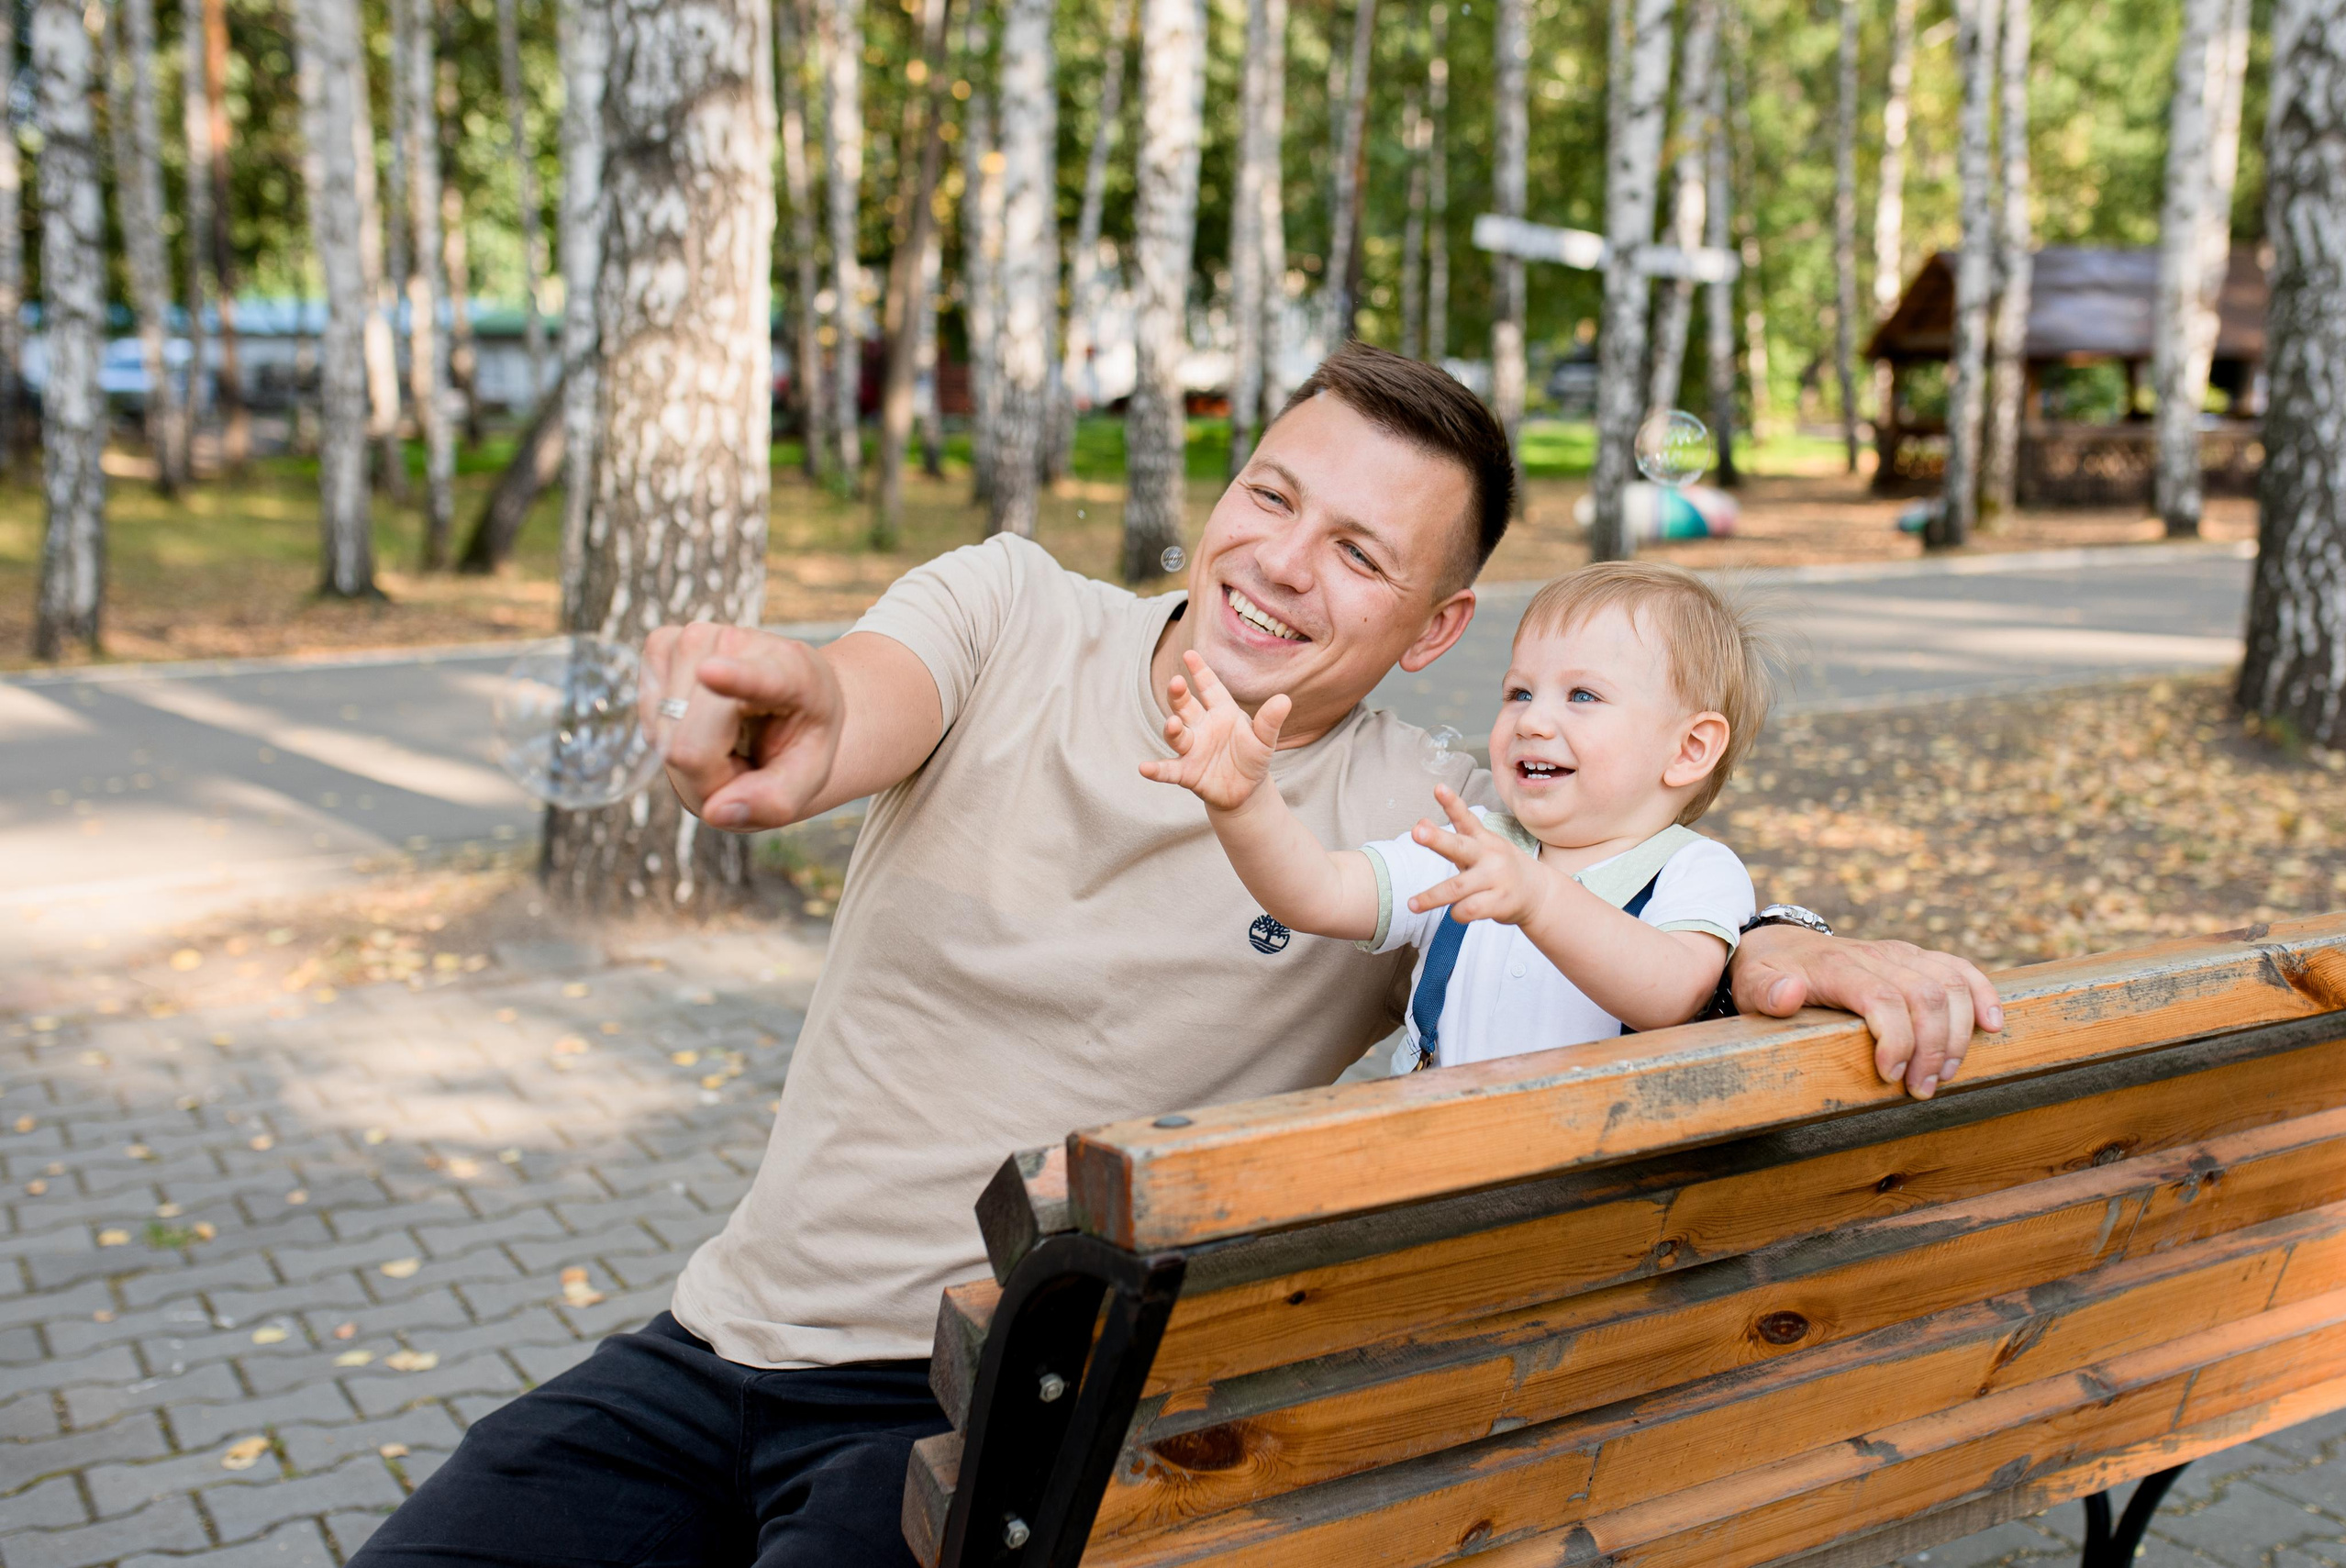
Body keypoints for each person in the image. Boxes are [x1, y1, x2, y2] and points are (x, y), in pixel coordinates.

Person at [352, 343, 2001, 1568]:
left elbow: (1622, 899)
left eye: (1361, 553)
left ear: (1435, 628)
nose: (1283, 561)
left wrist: (1794, 936)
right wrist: (789, 696)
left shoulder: (1415, 819)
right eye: (1270, 497)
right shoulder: (1012, 611)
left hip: (977, 1415)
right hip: (718, 1341)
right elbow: (857, 697)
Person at [1143, 561, 1772, 1072]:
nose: (1533, 719)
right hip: (1447, 1175)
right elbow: (1317, 892)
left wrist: (1538, 898)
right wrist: (1246, 804)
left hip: (1601, 1199)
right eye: (1519, 692)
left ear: (1689, 749)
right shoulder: (1474, 844)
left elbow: (1671, 992)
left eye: (1582, 695)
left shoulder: (1692, 870)